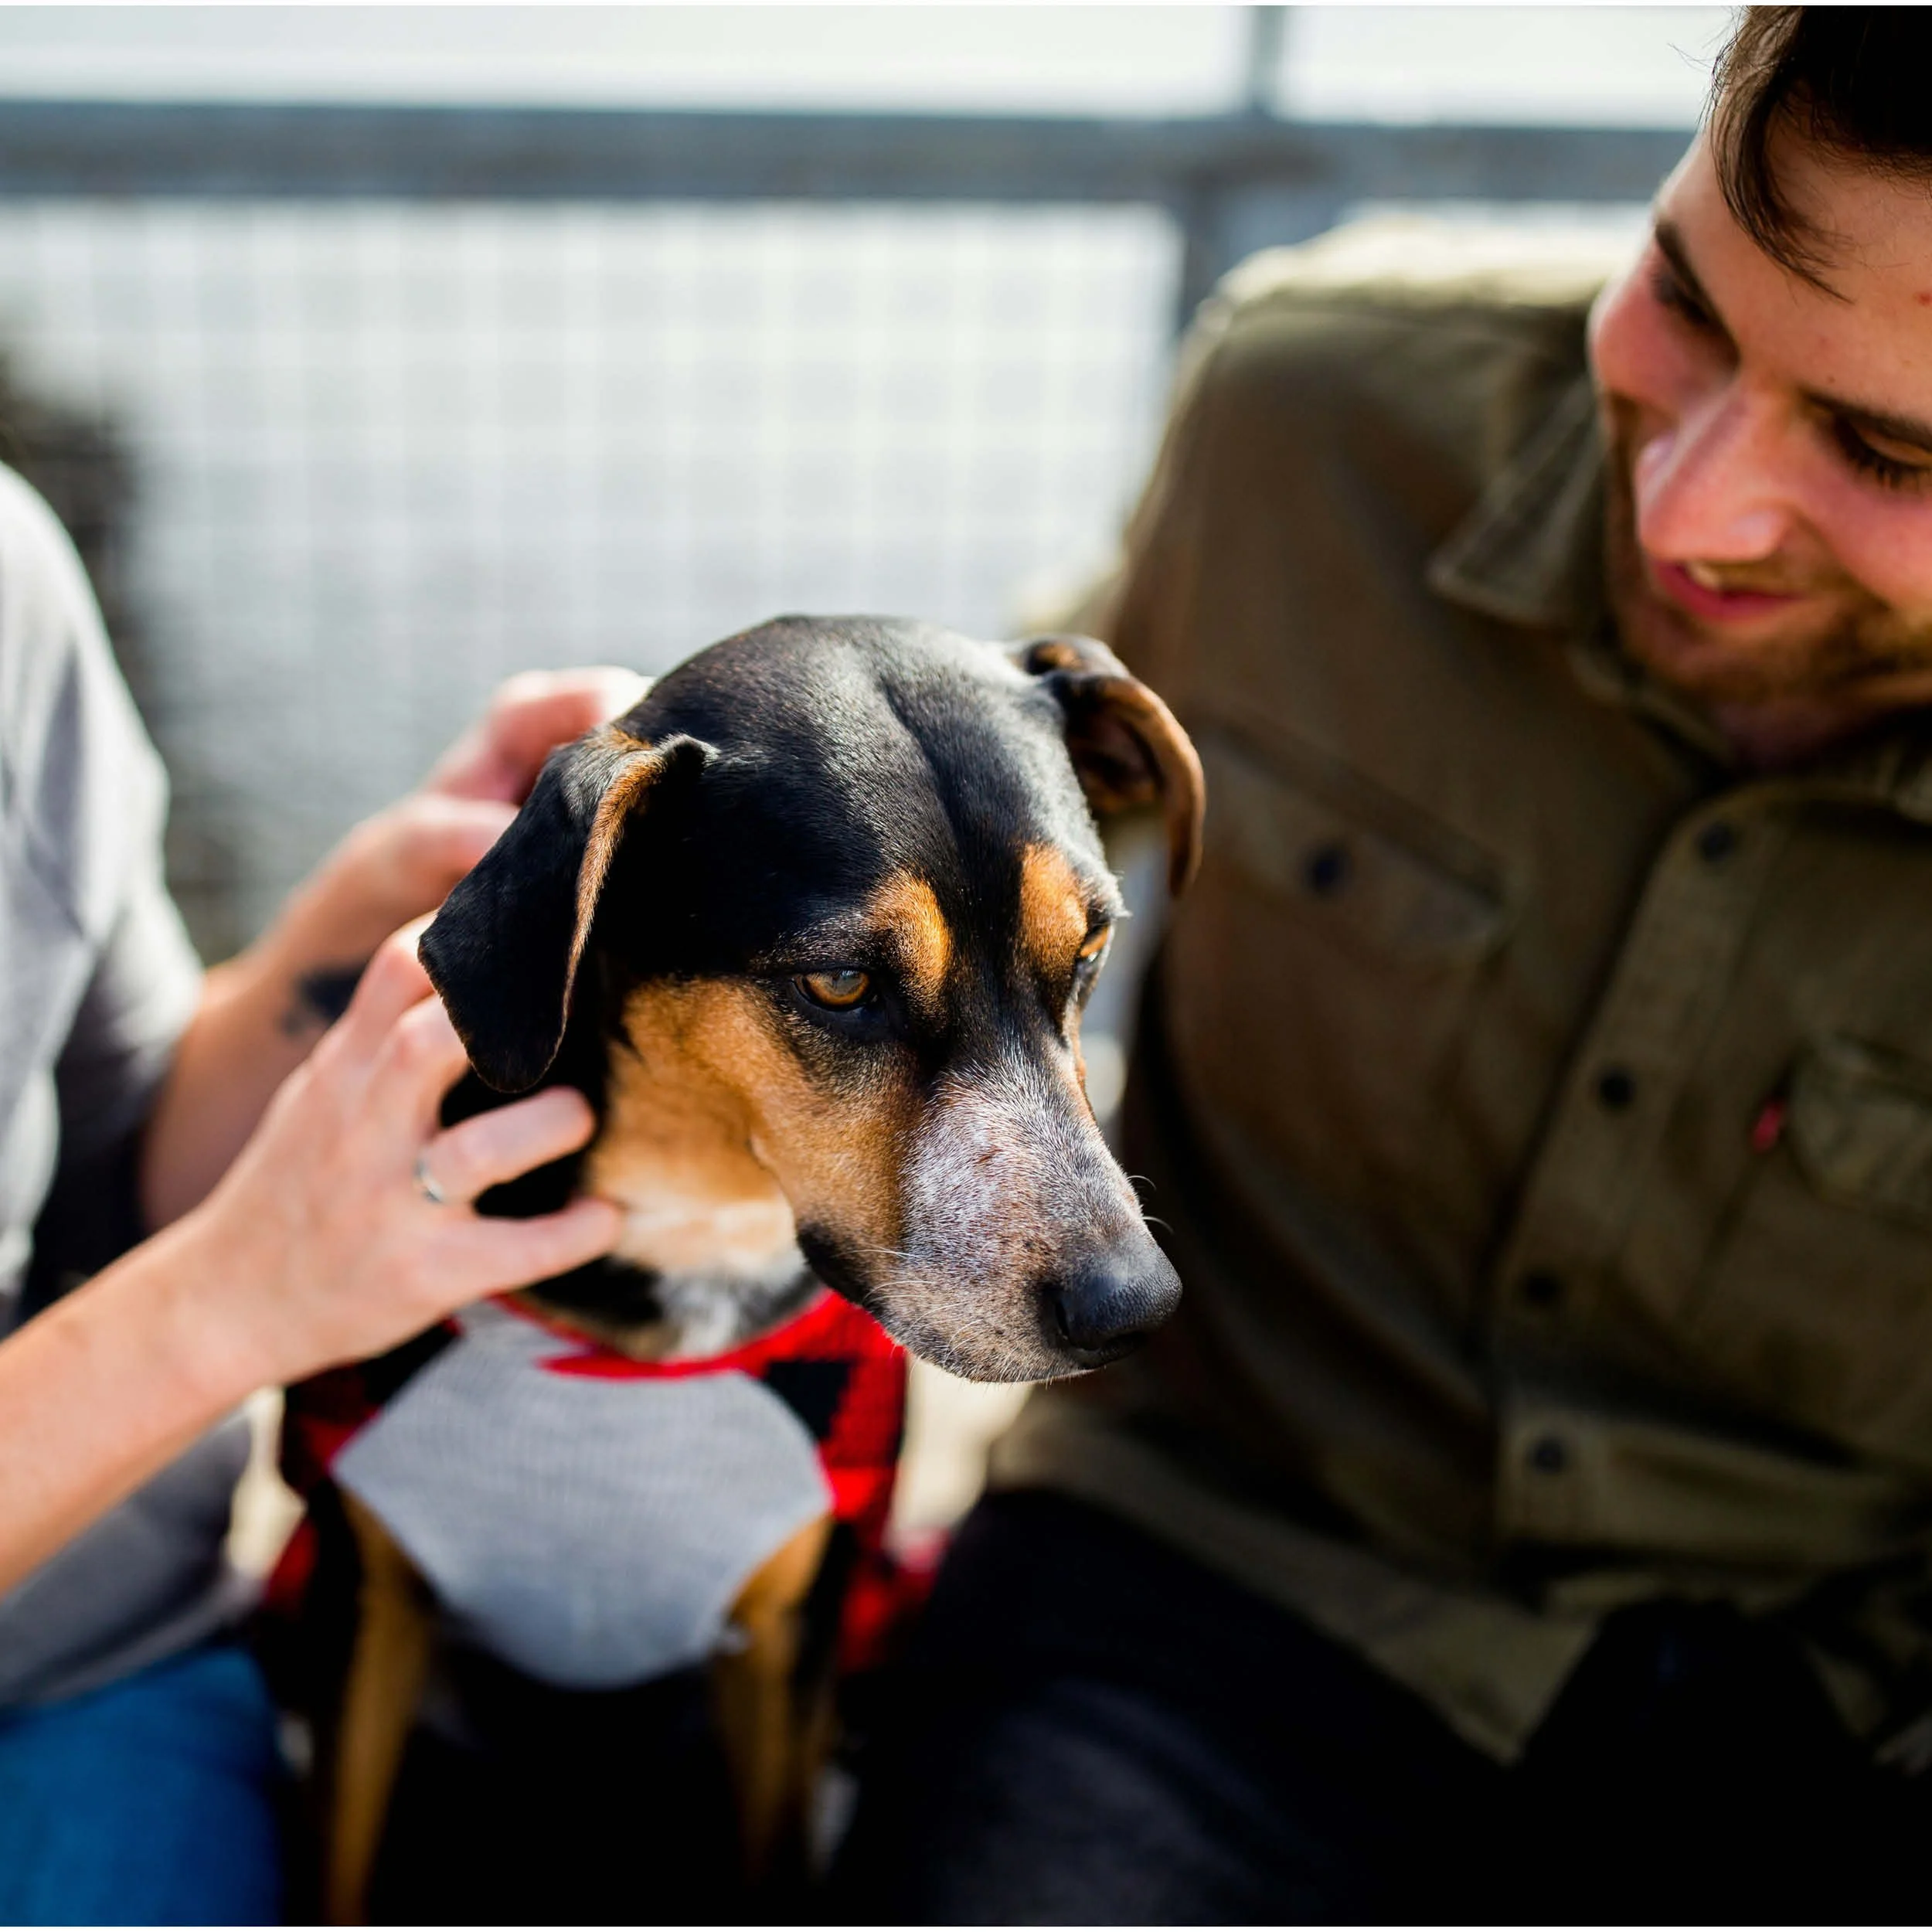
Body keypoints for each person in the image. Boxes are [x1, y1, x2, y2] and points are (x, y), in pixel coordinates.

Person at [837, 9, 1932, 1921]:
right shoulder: (1306, 411)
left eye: (1884, 451)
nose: (1689, 508)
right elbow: (987, 826)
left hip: (1839, 1709)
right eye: (1678, 297)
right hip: (1196, 1579)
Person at [0, 456, 632, 1921]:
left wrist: (351, 945)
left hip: (95, 1668)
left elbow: (105, 1154)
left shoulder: (12, 582)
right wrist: (230, 1304)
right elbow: (196, 1276)